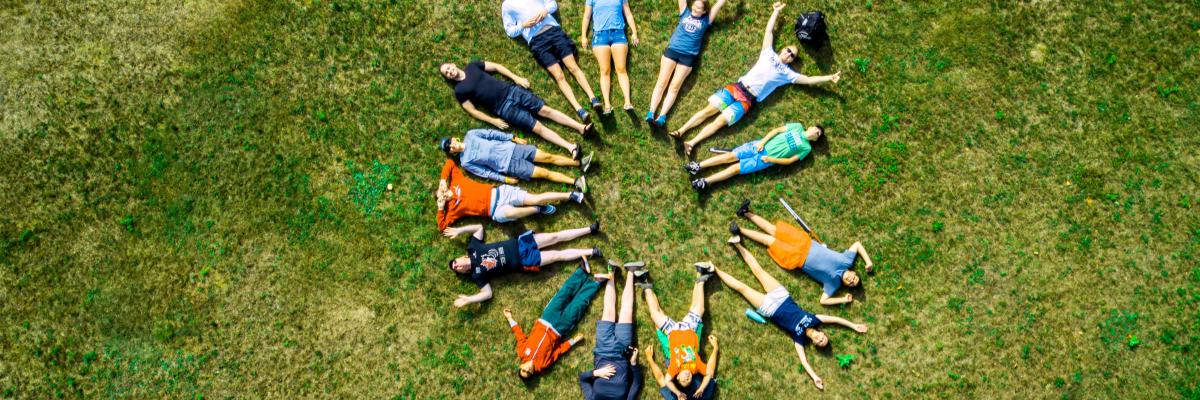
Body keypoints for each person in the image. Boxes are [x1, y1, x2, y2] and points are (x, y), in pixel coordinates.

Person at [669, 2, 841, 156]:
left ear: (792, 61)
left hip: (747, 101)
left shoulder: (788, 74)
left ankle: (691, 142)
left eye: (792, 56)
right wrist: (775, 12)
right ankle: (681, 131)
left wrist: (828, 78)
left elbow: (808, 79)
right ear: (782, 49)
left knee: (718, 123)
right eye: (788, 50)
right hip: (736, 88)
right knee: (707, 111)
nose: (789, 55)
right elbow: (769, 32)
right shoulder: (768, 53)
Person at [713, 233, 868, 390]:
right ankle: (738, 244)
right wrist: (854, 326)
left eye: (820, 342)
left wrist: (815, 377)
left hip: (769, 308)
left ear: (815, 344)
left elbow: (804, 361)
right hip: (782, 295)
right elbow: (835, 319)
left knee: (742, 288)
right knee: (759, 271)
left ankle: (715, 270)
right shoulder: (814, 320)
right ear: (822, 333)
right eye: (823, 337)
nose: (820, 338)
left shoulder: (799, 338)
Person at [730, 200, 874, 305]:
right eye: (854, 278)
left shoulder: (833, 284)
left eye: (851, 284)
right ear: (853, 272)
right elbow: (857, 245)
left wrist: (842, 299)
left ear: (847, 286)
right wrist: (868, 262)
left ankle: (739, 230)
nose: (851, 280)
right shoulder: (846, 261)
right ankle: (745, 212)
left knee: (769, 241)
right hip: (804, 242)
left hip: (797, 258)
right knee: (773, 230)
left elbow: (823, 301)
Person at [440, 61, 595, 155]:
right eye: (447, 73)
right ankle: (570, 147)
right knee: (538, 128)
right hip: (504, 109)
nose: (449, 72)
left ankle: (581, 127)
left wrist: (516, 77)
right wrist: (493, 121)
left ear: (453, 65)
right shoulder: (459, 91)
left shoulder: (472, 66)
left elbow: (497, 67)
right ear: (448, 77)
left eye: (448, 68)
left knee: (546, 110)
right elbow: (473, 111)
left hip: (512, 91)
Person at [443, 222, 601, 308]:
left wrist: (459, 230)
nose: (457, 266)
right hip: (525, 261)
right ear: (463, 272)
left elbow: (479, 227)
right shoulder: (477, 275)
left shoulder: (473, 248)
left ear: (462, 257)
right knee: (556, 255)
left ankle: (589, 229)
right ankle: (591, 251)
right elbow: (488, 294)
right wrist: (470, 299)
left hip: (521, 243)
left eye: (455, 262)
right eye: (456, 269)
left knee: (555, 237)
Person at [503, 0, 601, 122]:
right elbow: (510, 31)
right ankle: (579, 109)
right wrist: (523, 25)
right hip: (537, 42)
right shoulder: (507, 5)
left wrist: (546, 10)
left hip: (554, 32)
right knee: (559, 76)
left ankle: (593, 98)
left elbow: (553, 4)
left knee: (573, 67)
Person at [506, 261, 607, 378]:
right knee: (579, 304)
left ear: (521, 366)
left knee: (564, 294)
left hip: (547, 317)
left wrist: (509, 318)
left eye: (524, 370)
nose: (527, 369)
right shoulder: (543, 365)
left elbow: (519, 335)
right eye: (529, 373)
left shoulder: (522, 352)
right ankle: (596, 282)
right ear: (533, 373)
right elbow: (558, 351)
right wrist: (573, 341)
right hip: (560, 328)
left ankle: (582, 272)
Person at [635, 262, 719, 398]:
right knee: (699, 308)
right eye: (689, 380)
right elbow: (709, 373)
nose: (687, 378)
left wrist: (678, 393)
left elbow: (665, 380)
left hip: (672, 332)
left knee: (655, 315)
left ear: (677, 377)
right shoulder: (695, 367)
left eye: (683, 380)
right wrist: (701, 388)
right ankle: (701, 279)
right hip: (689, 329)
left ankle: (645, 283)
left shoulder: (675, 367)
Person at [436, 160, 584, 231]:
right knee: (510, 213)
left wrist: (443, 180)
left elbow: (449, 163)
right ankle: (538, 209)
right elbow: (442, 226)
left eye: (441, 191)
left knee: (536, 198)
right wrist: (441, 209)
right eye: (440, 198)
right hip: (495, 211)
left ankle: (570, 195)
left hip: (501, 193)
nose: (442, 195)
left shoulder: (456, 181)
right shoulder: (452, 210)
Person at [645, 0, 727, 127]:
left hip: (688, 57)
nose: (695, 8)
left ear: (704, 11)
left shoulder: (706, 20)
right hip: (672, 50)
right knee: (661, 83)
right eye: (694, 5)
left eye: (698, 8)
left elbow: (718, 5)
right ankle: (651, 113)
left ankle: (662, 116)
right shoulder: (685, 13)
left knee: (674, 87)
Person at [440, 129, 591, 193]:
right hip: (510, 166)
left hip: (514, 148)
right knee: (545, 173)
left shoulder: (471, 135)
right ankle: (576, 182)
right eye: (449, 149)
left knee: (548, 157)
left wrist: (513, 138)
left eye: (450, 143)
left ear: (454, 139)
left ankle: (580, 163)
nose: (452, 146)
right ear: (452, 152)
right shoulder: (465, 162)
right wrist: (505, 179)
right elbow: (485, 173)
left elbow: (492, 134)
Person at [684, 123, 823, 191]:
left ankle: (705, 182)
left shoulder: (807, 148)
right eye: (816, 129)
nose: (816, 132)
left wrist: (771, 160)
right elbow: (776, 131)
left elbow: (790, 161)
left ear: (815, 139)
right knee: (730, 156)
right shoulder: (797, 126)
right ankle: (697, 166)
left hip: (765, 160)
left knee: (735, 169)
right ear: (810, 127)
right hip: (759, 145)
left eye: (818, 134)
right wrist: (762, 142)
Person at [578, 261, 646, 400]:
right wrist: (633, 363)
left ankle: (611, 271)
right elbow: (636, 383)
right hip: (622, 351)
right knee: (626, 312)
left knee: (609, 311)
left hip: (603, 349)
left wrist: (596, 373)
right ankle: (631, 272)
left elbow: (583, 379)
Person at [580, 0, 640, 115]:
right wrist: (583, 36)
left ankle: (627, 102)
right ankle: (607, 105)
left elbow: (628, 13)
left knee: (621, 69)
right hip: (600, 36)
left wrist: (634, 32)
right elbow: (586, 17)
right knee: (605, 70)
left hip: (618, 34)